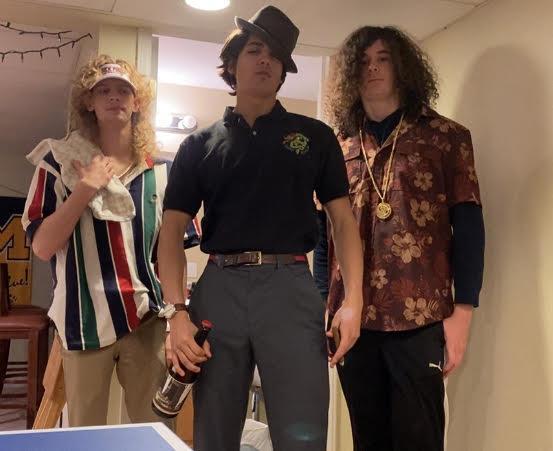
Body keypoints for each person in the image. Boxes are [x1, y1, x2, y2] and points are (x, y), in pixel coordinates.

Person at [157, 6, 363, 450]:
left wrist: (353, 302)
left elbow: (344, 222)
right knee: (213, 432)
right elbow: (171, 232)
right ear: (232, 64)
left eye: (276, 55)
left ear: (284, 71)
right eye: (254, 50)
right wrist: (176, 314)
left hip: (290, 289)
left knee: (303, 431)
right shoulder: (198, 145)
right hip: (219, 290)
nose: (265, 60)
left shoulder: (316, 137)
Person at [322, 26, 485, 451]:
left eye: (383, 59)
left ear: (403, 68)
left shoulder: (446, 137)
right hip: (353, 320)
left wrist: (463, 312)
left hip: (420, 317)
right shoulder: (335, 146)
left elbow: (469, 226)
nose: (373, 69)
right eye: (363, 62)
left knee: (419, 440)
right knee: (367, 439)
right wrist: (324, 302)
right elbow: (325, 234)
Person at [21, 55, 199, 426]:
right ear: (89, 101)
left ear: (137, 102)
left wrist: (178, 316)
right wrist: (84, 189)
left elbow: (171, 255)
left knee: (154, 431)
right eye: (103, 90)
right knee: (84, 435)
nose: (114, 97)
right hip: (82, 320)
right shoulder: (59, 161)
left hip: (147, 319)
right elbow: (42, 247)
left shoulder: (161, 172)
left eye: (123, 90)